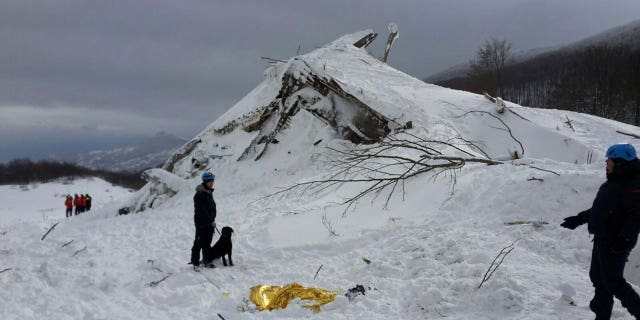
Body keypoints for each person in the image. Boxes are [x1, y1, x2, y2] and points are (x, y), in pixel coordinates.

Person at [561, 143, 640, 319]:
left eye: (609, 160)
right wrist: (580, 218)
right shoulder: (615, 181)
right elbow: (603, 209)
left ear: (619, 163)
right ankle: (601, 316)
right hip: (603, 238)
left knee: (613, 282)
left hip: (616, 242)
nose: (606, 163)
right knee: (599, 279)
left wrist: (624, 240)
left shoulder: (633, 186)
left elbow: (636, 217)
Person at [190, 171, 217, 268]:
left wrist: (212, 219)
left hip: (209, 221)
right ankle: (195, 262)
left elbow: (209, 208)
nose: (211, 182)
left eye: (212, 180)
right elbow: (202, 211)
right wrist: (211, 221)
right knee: (199, 242)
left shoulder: (208, 192)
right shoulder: (200, 194)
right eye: (209, 181)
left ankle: (206, 260)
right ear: (205, 182)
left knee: (207, 241)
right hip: (201, 222)